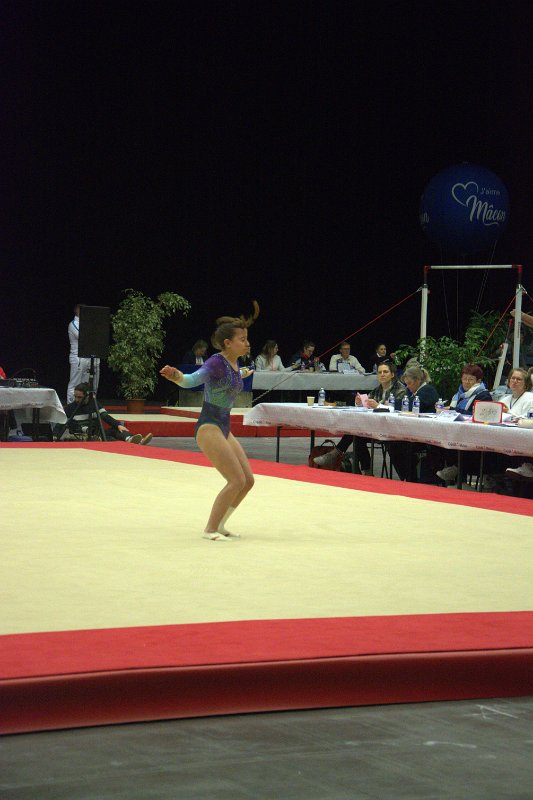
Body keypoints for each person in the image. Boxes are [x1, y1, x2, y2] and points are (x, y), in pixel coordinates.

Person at [160, 315, 255, 542]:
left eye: (247, 339)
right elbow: (191, 380)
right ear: (227, 343)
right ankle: (210, 529)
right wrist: (176, 376)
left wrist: (244, 372)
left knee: (248, 480)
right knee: (236, 480)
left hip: (224, 426)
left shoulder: (234, 363)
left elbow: (235, 375)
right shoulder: (215, 362)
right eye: (242, 339)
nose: (247, 343)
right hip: (209, 425)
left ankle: (221, 524)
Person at [313, 361, 406, 472]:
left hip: (392, 430)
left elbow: (397, 409)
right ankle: (367, 471)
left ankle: (335, 454)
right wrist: (359, 402)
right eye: (379, 372)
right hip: (376, 426)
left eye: (385, 372)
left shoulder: (400, 389)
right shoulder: (378, 389)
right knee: (357, 434)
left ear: (392, 374)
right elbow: (368, 404)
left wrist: (378, 406)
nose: (382, 374)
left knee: (356, 432)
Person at [435, 365, 494, 485]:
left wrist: (452, 410)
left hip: (475, 435)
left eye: (470, 379)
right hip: (457, 431)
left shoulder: (484, 395)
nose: (466, 382)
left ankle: (456, 469)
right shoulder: (458, 394)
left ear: (478, 381)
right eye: (464, 379)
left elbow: (476, 415)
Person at [54, 383, 153, 444]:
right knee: (108, 438)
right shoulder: (70, 408)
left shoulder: (95, 404)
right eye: (75, 397)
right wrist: (54, 435)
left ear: (87, 396)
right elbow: (61, 422)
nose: (76, 399)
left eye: (79, 397)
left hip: (97, 432)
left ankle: (131, 439)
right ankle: (132, 441)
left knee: (116, 430)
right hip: (83, 434)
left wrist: (118, 425)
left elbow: (105, 416)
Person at [387, 365, 439, 482]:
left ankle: (410, 478)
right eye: (406, 384)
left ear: (418, 381)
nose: (407, 386)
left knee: (399, 445)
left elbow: (409, 406)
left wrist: (391, 403)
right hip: (414, 431)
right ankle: (407, 477)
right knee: (392, 443)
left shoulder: (427, 390)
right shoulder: (414, 392)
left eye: (409, 383)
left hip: (427, 433)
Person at [67, 304, 100, 403]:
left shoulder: (89, 323)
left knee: (89, 384)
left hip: (89, 357)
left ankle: (88, 405)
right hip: (78, 357)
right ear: (77, 311)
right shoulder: (73, 324)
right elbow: (84, 336)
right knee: (75, 383)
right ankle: (71, 406)